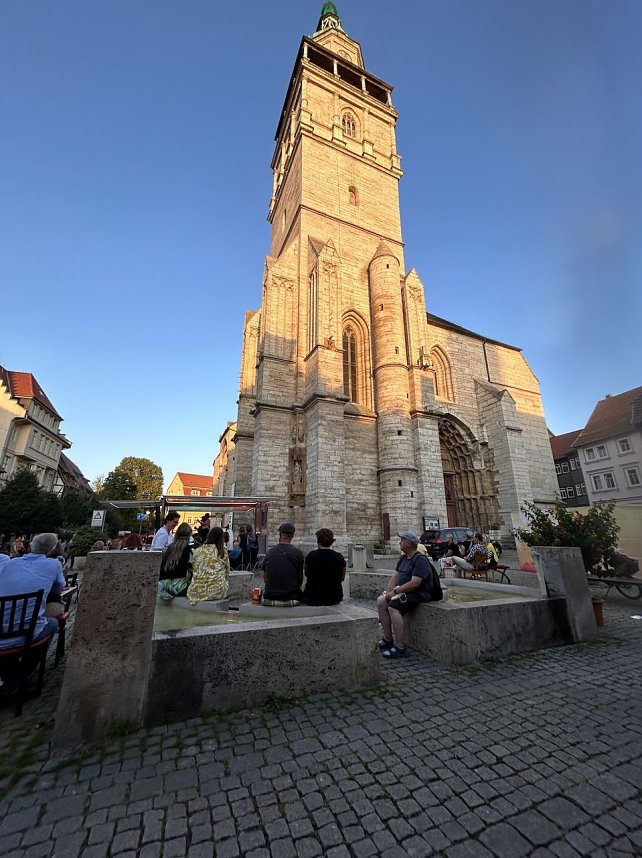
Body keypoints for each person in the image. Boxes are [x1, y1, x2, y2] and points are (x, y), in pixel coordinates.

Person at [376, 531, 436, 659]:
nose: (399, 542)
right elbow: (395, 576)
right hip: (405, 591)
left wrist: (396, 592)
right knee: (381, 601)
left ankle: (400, 647)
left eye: (402, 540)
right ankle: (388, 639)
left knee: (393, 606)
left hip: (419, 593)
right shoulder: (404, 557)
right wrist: (388, 592)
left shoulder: (420, 559)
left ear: (408, 543)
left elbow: (415, 583)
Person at [0, 533, 64, 652]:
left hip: (3, 628)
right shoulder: (54, 564)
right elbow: (58, 590)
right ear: (53, 549)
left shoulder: (11, 563)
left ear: (31, 546)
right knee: (53, 623)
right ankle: (26, 668)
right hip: (24, 635)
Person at [262, 523, 304, 606]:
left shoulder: (270, 552)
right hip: (291, 596)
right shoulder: (298, 553)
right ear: (292, 536)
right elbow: (300, 579)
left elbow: (265, 578)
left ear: (280, 534)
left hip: (270, 595)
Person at [302, 528, 346, 606]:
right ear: (332, 541)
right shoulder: (339, 557)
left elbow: (306, 573)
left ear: (318, 541)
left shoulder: (311, 556)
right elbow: (342, 577)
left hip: (312, 597)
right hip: (334, 598)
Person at [187, 527, 230, 604]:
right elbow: (227, 571)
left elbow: (194, 568)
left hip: (196, 591)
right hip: (217, 590)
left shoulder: (198, 550)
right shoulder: (222, 551)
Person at [158, 523, 193, 600]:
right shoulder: (189, 549)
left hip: (163, 587)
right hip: (179, 588)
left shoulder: (169, 548)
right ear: (190, 535)